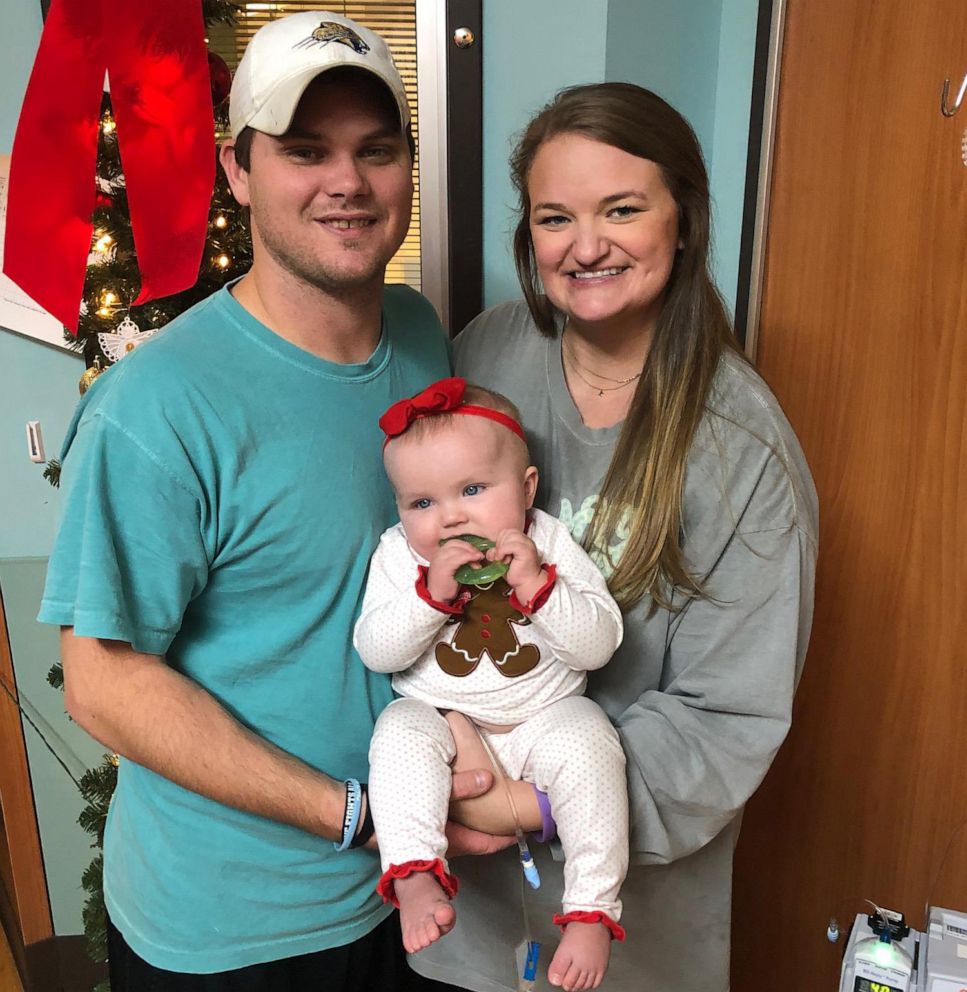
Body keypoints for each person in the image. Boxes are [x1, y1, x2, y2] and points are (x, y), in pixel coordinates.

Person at [37, 11, 504, 991]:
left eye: (376, 150)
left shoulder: (420, 336)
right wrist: (352, 810)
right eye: (304, 150)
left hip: (408, 899)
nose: (347, 181)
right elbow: (103, 683)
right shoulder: (155, 408)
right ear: (236, 170)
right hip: (229, 932)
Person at [409, 83, 819, 992]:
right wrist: (436, 733)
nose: (585, 246)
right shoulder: (483, 359)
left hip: (622, 928)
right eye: (555, 217)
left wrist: (517, 803)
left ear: (685, 219)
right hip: (460, 917)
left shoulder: (742, 447)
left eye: (621, 209)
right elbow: (407, 567)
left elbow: (726, 718)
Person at [353, 377, 628, 991]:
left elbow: (600, 644)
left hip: (544, 718)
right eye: (420, 503)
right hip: (443, 721)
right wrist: (431, 597)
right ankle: (415, 873)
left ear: (526, 489)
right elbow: (375, 650)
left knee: (592, 745)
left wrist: (540, 589)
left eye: (473, 490)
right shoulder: (401, 557)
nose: (450, 517)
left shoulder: (548, 540)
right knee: (397, 732)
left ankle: (591, 912)